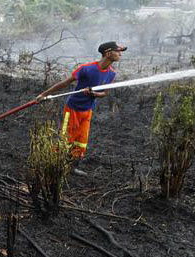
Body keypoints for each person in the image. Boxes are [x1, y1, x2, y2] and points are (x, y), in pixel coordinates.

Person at [36, 41, 127, 176]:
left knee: (81, 139)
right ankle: (54, 164)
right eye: (117, 51)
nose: (120, 54)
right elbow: (65, 83)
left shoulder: (111, 73)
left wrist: (93, 94)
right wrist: (44, 94)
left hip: (87, 110)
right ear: (108, 53)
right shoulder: (86, 68)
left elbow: (104, 93)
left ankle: (72, 167)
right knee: (67, 137)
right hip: (73, 108)